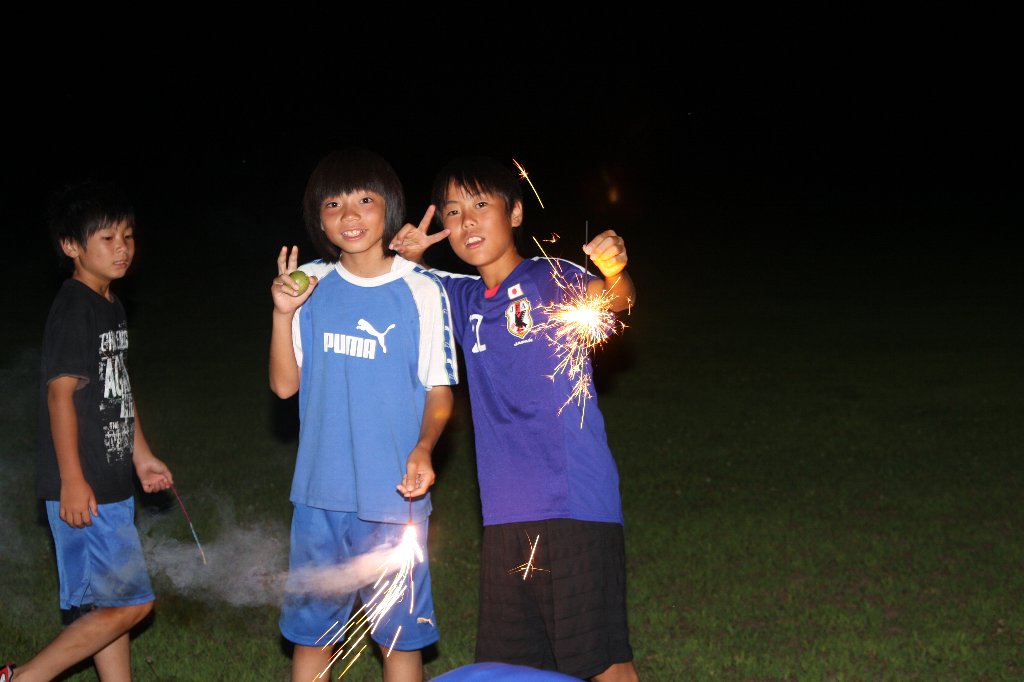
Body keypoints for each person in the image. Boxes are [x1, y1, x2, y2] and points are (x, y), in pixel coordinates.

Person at [390, 156, 640, 681]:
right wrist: (407, 257)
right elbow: (403, 283)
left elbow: (616, 301)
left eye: (481, 204)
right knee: (513, 670)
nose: (467, 221)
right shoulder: (459, 297)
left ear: (517, 213)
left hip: (572, 506)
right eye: (453, 212)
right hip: (504, 515)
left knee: (603, 665)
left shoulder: (550, 278)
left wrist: (616, 269)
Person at [269, 147, 458, 682]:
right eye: (333, 204)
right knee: (314, 637)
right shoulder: (308, 283)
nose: (349, 215)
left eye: (364, 201)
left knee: (398, 639)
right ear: (319, 218)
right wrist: (282, 315)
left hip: (394, 498)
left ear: (389, 207)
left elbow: (440, 390)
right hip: (318, 495)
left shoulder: (422, 288)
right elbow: (284, 386)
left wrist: (423, 448)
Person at [1, 180, 175, 682]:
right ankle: (23, 678)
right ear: (71, 246)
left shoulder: (109, 303)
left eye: (128, 236)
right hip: (86, 485)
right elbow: (60, 396)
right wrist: (72, 481)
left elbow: (118, 387)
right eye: (107, 239)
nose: (123, 248)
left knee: (111, 604)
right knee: (134, 605)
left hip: (112, 480)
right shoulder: (75, 307)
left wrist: (142, 455)